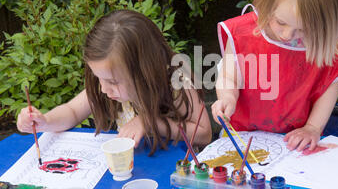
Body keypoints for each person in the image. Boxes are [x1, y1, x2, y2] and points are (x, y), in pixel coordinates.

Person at [17, 9, 212, 154]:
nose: (103, 88)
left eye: (112, 81)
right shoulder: (107, 88)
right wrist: (45, 121)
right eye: (98, 78)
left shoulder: (176, 84)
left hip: (177, 177)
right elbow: (72, 111)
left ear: (145, 71)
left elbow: (204, 134)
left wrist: (150, 122)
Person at [211, 0, 338, 153]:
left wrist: (313, 128)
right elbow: (228, 76)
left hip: (293, 144)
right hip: (240, 138)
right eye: (280, 22)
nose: (287, 35)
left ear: (326, 27)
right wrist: (227, 98)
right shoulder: (244, 34)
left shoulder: (325, 47)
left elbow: (329, 87)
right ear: (268, 3)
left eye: (303, 30)